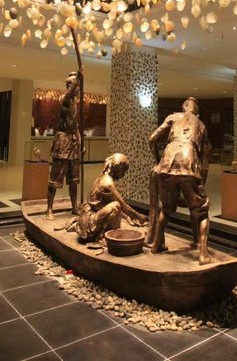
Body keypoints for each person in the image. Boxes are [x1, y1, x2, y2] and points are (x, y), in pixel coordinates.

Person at [146, 97, 213, 265]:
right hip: (189, 162)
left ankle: (156, 245)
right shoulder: (201, 125)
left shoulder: (173, 117)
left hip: (167, 161)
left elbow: (152, 139)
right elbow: (205, 161)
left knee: (166, 208)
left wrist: (158, 162)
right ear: (197, 113)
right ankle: (203, 254)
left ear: (184, 107)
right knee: (202, 211)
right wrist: (202, 182)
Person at [69, 153, 147, 242]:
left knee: (114, 206)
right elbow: (124, 206)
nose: (123, 175)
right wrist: (140, 217)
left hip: (86, 219)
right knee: (116, 205)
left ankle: (104, 234)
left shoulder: (102, 177)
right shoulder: (108, 183)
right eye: (123, 171)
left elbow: (103, 205)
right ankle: (107, 237)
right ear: (118, 169)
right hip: (89, 224)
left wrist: (127, 218)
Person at [46, 69, 82, 219]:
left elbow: (75, 125)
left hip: (73, 142)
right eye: (74, 85)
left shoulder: (76, 103)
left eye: (78, 86)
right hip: (62, 142)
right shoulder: (64, 99)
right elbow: (69, 95)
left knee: (74, 179)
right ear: (69, 86)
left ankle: (74, 206)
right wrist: (78, 78)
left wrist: (79, 142)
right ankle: (49, 209)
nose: (77, 88)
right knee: (55, 177)